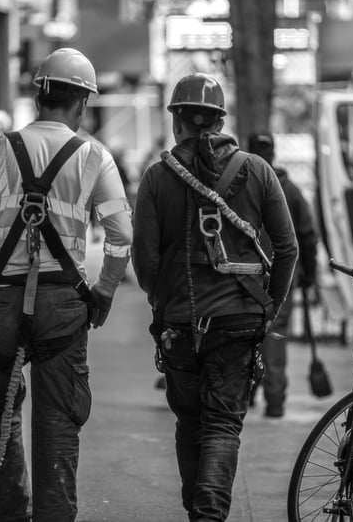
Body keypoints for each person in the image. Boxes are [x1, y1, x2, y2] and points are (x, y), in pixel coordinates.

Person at [0, 47, 132, 522]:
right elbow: (121, 237)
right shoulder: (94, 156)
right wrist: (106, 289)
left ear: (37, 98)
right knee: (56, 423)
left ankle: (13, 514)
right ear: (83, 103)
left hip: (0, 305)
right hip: (63, 307)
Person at [132, 73, 298, 521]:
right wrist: (271, 306)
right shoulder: (258, 170)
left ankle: (199, 513)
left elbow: (144, 261)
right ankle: (210, 515)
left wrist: (161, 301)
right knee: (223, 424)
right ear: (220, 120)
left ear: (177, 121)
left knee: (190, 424)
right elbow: (288, 248)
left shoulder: (156, 178)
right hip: (240, 321)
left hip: (181, 324)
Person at [247, 133, 319, 418]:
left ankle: (247, 393)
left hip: (245, 275)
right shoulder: (289, 190)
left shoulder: (241, 185)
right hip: (281, 276)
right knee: (274, 336)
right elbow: (308, 236)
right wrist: (309, 274)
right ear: (274, 153)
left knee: (244, 331)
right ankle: (275, 402)